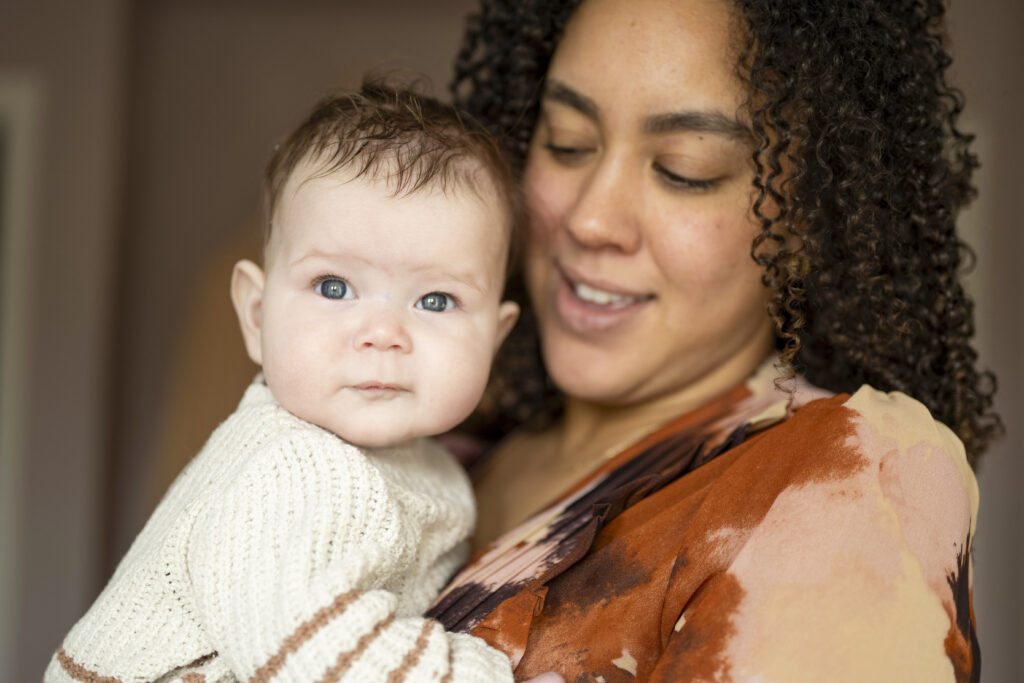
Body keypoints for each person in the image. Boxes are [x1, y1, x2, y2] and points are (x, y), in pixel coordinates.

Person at [426, 0, 1000, 681]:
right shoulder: (434, 453)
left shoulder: (846, 483)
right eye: (567, 141)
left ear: (806, 221)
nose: (590, 218)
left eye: (684, 169)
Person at [45, 82, 526, 682]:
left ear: (495, 341)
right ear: (255, 315)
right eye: (333, 287)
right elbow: (314, 657)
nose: (382, 332)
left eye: (435, 299)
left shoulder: (429, 467)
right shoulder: (292, 467)